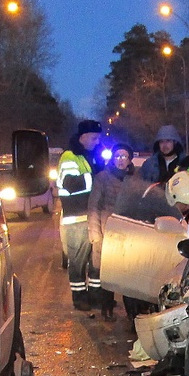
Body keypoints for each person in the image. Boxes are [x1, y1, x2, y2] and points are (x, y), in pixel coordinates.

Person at [86, 142, 137, 322]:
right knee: (107, 273)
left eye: (124, 156)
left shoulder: (135, 178)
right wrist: (95, 234)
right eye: (117, 156)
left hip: (130, 233)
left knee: (129, 275)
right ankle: (106, 307)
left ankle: (132, 313)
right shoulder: (103, 178)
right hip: (107, 231)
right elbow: (94, 207)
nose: (120, 160)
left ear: (130, 159)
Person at [57, 119, 105, 311]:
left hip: (93, 217)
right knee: (77, 261)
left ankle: (95, 296)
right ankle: (79, 297)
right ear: (83, 136)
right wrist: (96, 178)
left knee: (96, 260)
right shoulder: (70, 157)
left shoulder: (92, 156)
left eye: (98, 138)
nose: (96, 141)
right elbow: (70, 183)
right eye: (94, 137)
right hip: (76, 218)